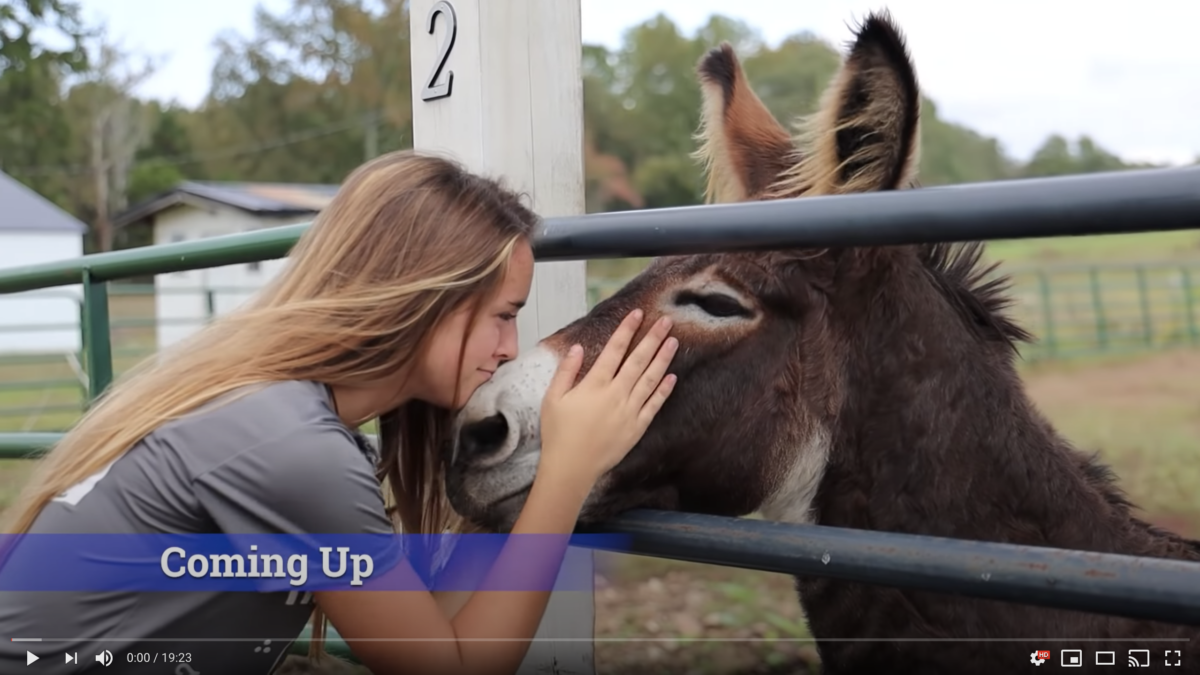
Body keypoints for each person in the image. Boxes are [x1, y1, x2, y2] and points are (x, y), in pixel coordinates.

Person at [0, 150, 679, 675]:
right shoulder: (290, 446)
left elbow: (422, 624)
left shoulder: (286, 413)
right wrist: (568, 467)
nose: (509, 349)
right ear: (421, 297)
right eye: (503, 316)